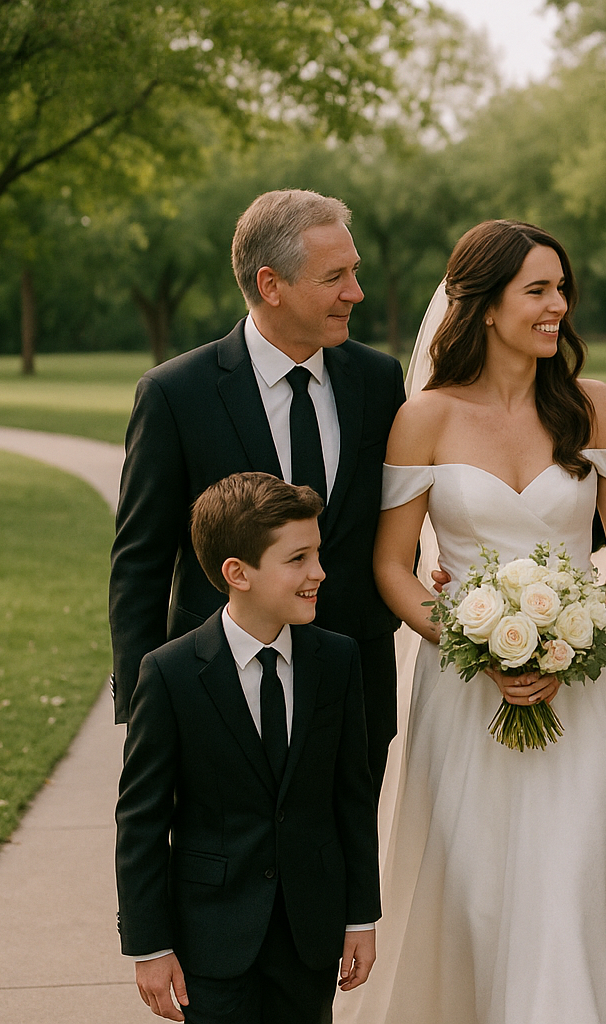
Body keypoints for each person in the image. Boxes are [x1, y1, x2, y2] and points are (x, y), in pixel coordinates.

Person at [349, 220, 606, 1023]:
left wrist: (577, 648)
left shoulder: (596, 407)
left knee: (576, 876)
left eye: (562, 290)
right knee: (479, 894)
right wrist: (467, 643)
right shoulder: (426, 417)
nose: (558, 306)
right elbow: (391, 564)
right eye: (538, 291)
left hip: (585, 693)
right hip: (465, 692)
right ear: (485, 306)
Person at [109, 189, 407, 792]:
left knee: (344, 868)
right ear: (271, 285)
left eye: (355, 272)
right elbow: (140, 558)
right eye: (335, 277)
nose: (356, 292)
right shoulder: (176, 394)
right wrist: (146, 699)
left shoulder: (378, 379)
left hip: (353, 682)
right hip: (217, 682)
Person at [116, 472, 381, 1023]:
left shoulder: (337, 661)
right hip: (210, 938)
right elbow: (141, 819)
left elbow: (352, 797)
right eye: (298, 558)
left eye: (318, 553)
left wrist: (360, 917)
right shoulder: (169, 674)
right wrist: (149, 945)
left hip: (310, 933)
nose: (319, 573)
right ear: (237, 573)